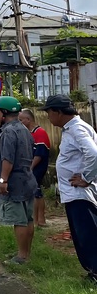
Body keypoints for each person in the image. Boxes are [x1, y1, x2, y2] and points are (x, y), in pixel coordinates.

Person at [41, 94, 97, 283]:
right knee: (83, 234)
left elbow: (94, 153)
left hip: (80, 194)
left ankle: (95, 273)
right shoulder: (71, 129)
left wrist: (86, 178)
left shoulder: (77, 129)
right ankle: (92, 271)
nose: (48, 117)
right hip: (74, 194)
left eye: (49, 112)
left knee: (87, 234)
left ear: (58, 112)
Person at [0, 96, 37, 265]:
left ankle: (21, 257)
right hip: (27, 180)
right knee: (28, 218)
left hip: (14, 183)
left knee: (19, 220)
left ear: (4, 113)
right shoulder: (24, 129)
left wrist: (3, 180)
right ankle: (25, 253)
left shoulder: (9, 132)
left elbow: (7, 159)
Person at [19, 108, 51, 227]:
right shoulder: (29, 133)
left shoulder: (40, 132)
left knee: (37, 192)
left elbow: (39, 154)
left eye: (21, 120)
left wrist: (30, 168)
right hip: (30, 167)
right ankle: (36, 219)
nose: (20, 122)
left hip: (37, 167)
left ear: (28, 119)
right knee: (34, 192)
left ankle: (40, 219)